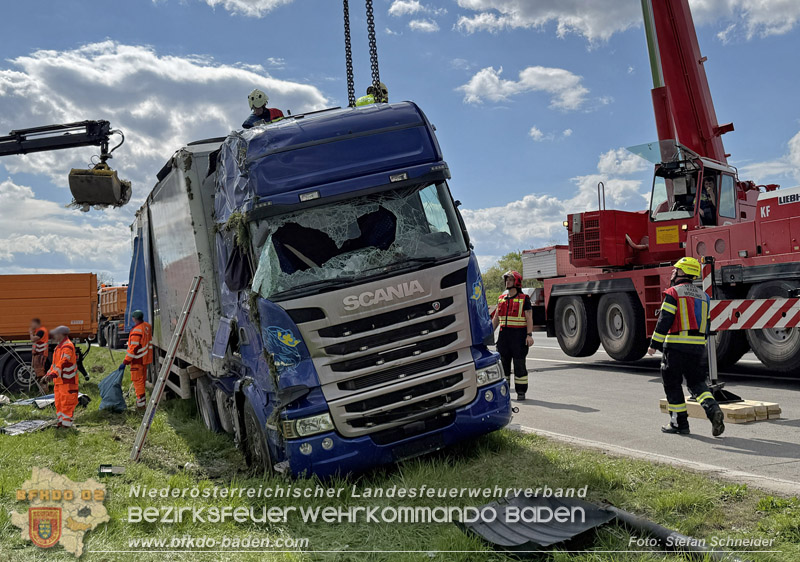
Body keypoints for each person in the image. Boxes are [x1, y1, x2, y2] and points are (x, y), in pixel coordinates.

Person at [647, 257, 725, 436]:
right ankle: (713, 409)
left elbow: (664, 320)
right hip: (697, 349)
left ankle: (679, 424)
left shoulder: (673, 293)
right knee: (697, 383)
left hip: (675, 347)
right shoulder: (704, 297)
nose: (673, 272)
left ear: (682, 273)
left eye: (676, 269)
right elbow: (707, 324)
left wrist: (654, 345)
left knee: (672, 384)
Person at [491, 271, 533, 401]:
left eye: (510, 280)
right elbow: (496, 319)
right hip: (504, 337)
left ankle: (521, 392)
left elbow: (529, 318)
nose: (507, 282)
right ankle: (506, 391)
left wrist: (529, 335)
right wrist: (489, 334)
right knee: (504, 365)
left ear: (517, 282)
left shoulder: (524, 299)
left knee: (519, 365)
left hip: (519, 337)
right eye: (506, 280)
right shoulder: (501, 299)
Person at [45, 326, 78, 429]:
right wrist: (48, 374)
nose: (54, 336)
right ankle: (61, 423)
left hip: (67, 381)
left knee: (67, 403)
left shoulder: (67, 346)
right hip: (60, 381)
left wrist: (53, 374)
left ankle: (67, 426)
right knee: (59, 403)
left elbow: (64, 362)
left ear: (61, 334)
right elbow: (55, 364)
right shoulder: (59, 347)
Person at [120, 310, 153, 411]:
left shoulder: (136, 331)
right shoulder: (147, 326)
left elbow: (133, 348)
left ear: (134, 318)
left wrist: (125, 361)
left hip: (137, 360)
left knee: (138, 382)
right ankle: (142, 403)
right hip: (145, 359)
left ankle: (141, 405)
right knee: (142, 381)